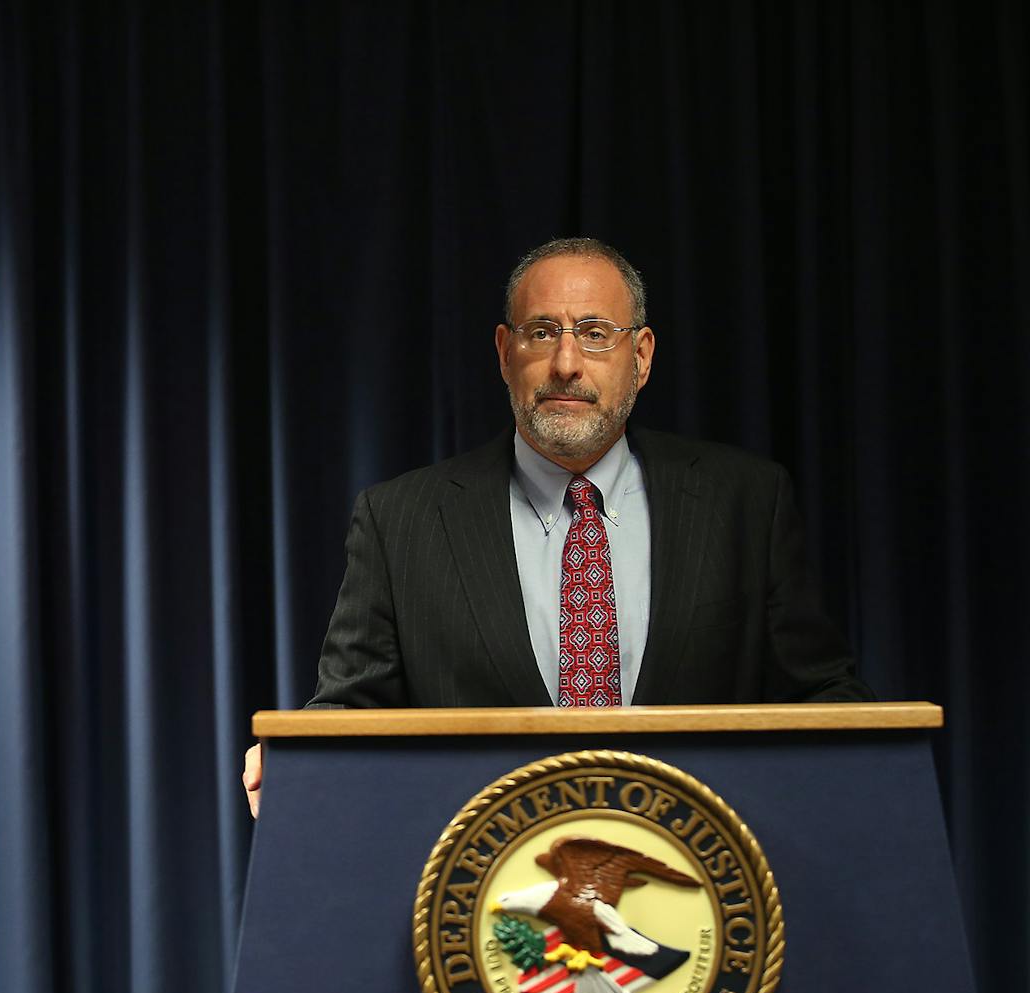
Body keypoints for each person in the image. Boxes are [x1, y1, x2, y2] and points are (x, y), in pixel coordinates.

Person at [242, 237, 872, 815]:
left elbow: (818, 694)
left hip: (699, 880)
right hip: (478, 896)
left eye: (596, 333)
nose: (566, 362)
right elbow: (351, 713)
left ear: (642, 356)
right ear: (503, 352)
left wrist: (870, 754)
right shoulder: (400, 519)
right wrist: (300, 760)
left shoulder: (746, 502)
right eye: (542, 332)